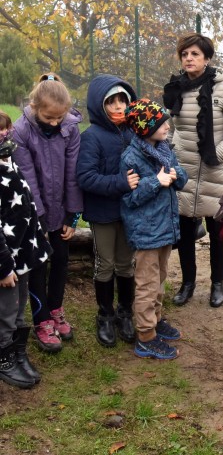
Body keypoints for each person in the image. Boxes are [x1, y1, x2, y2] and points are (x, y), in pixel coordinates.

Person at [163, 33, 223, 308]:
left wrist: (218, 153)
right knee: (185, 231)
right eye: (185, 54)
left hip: (215, 171)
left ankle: (217, 284)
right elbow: (174, 127)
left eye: (195, 54)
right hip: (183, 170)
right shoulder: (177, 87)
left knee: (218, 232)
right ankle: (188, 283)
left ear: (207, 58)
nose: (188, 58)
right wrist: (173, 152)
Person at [12, 74, 83, 353]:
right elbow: (27, 178)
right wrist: (38, 219)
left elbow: (73, 174)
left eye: (59, 117)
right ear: (34, 107)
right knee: (38, 267)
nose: (55, 123)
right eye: (49, 117)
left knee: (61, 261)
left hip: (62, 210)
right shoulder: (21, 131)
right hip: (35, 213)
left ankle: (56, 310)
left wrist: (72, 216)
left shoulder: (70, 128)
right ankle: (41, 320)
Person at [120, 98, 188, 360]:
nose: (167, 127)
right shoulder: (131, 158)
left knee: (159, 279)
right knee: (147, 284)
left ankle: (156, 320)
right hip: (146, 232)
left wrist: (174, 174)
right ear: (144, 127)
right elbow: (130, 198)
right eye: (161, 124)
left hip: (165, 229)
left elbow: (181, 177)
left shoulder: (164, 149)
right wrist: (156, 182)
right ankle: (146, 336)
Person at [77, 75, 138, 347]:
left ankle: (125, 311)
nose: (117, 106)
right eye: (111, 102)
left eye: (122, 100)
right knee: (105, 264)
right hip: (103, 214)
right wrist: (121, 183)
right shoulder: (91, 137)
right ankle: (105, 314)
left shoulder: (133, 132)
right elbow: (86, 178)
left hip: (129, 212)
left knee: (126, 263)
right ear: (99, 105)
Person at [0, 112, 52, 388]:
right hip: (5, 262)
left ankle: (19, 354)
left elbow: (25, 204)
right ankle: (5, 360)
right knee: (5, 313)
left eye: (6, 129)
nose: (4, 135)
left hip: (22, 254)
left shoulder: (8, 161)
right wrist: (4, 267)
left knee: (20, 310)